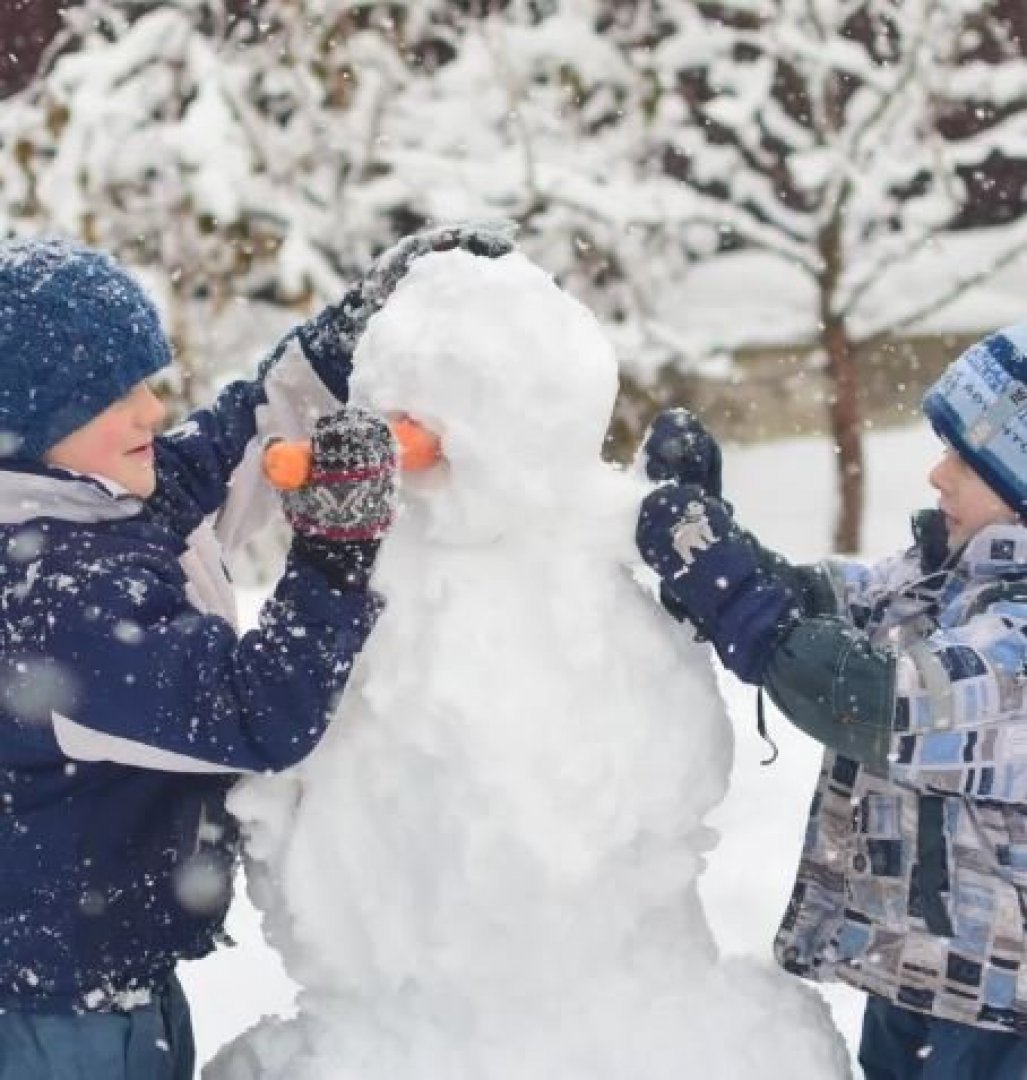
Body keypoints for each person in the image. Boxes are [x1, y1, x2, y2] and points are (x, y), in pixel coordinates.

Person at [0, 224, 511, 1080]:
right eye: (111, 398)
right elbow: (257, 712)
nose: (150, 412)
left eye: (145, 383)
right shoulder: (46, 610)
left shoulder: (100, 503)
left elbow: (238, 447)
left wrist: (345, 334)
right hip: (51, 1014)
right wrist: (333, 548)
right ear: (25, 424)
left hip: (98, 978)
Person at [635, 325, 1027, 1080]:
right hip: (925, 984)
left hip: (1004, 1023)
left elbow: (881, 699)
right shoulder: (949, 577)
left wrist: (739, 599)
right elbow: (833, 612)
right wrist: (723, 550)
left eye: (968, 463)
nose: (937, 474)